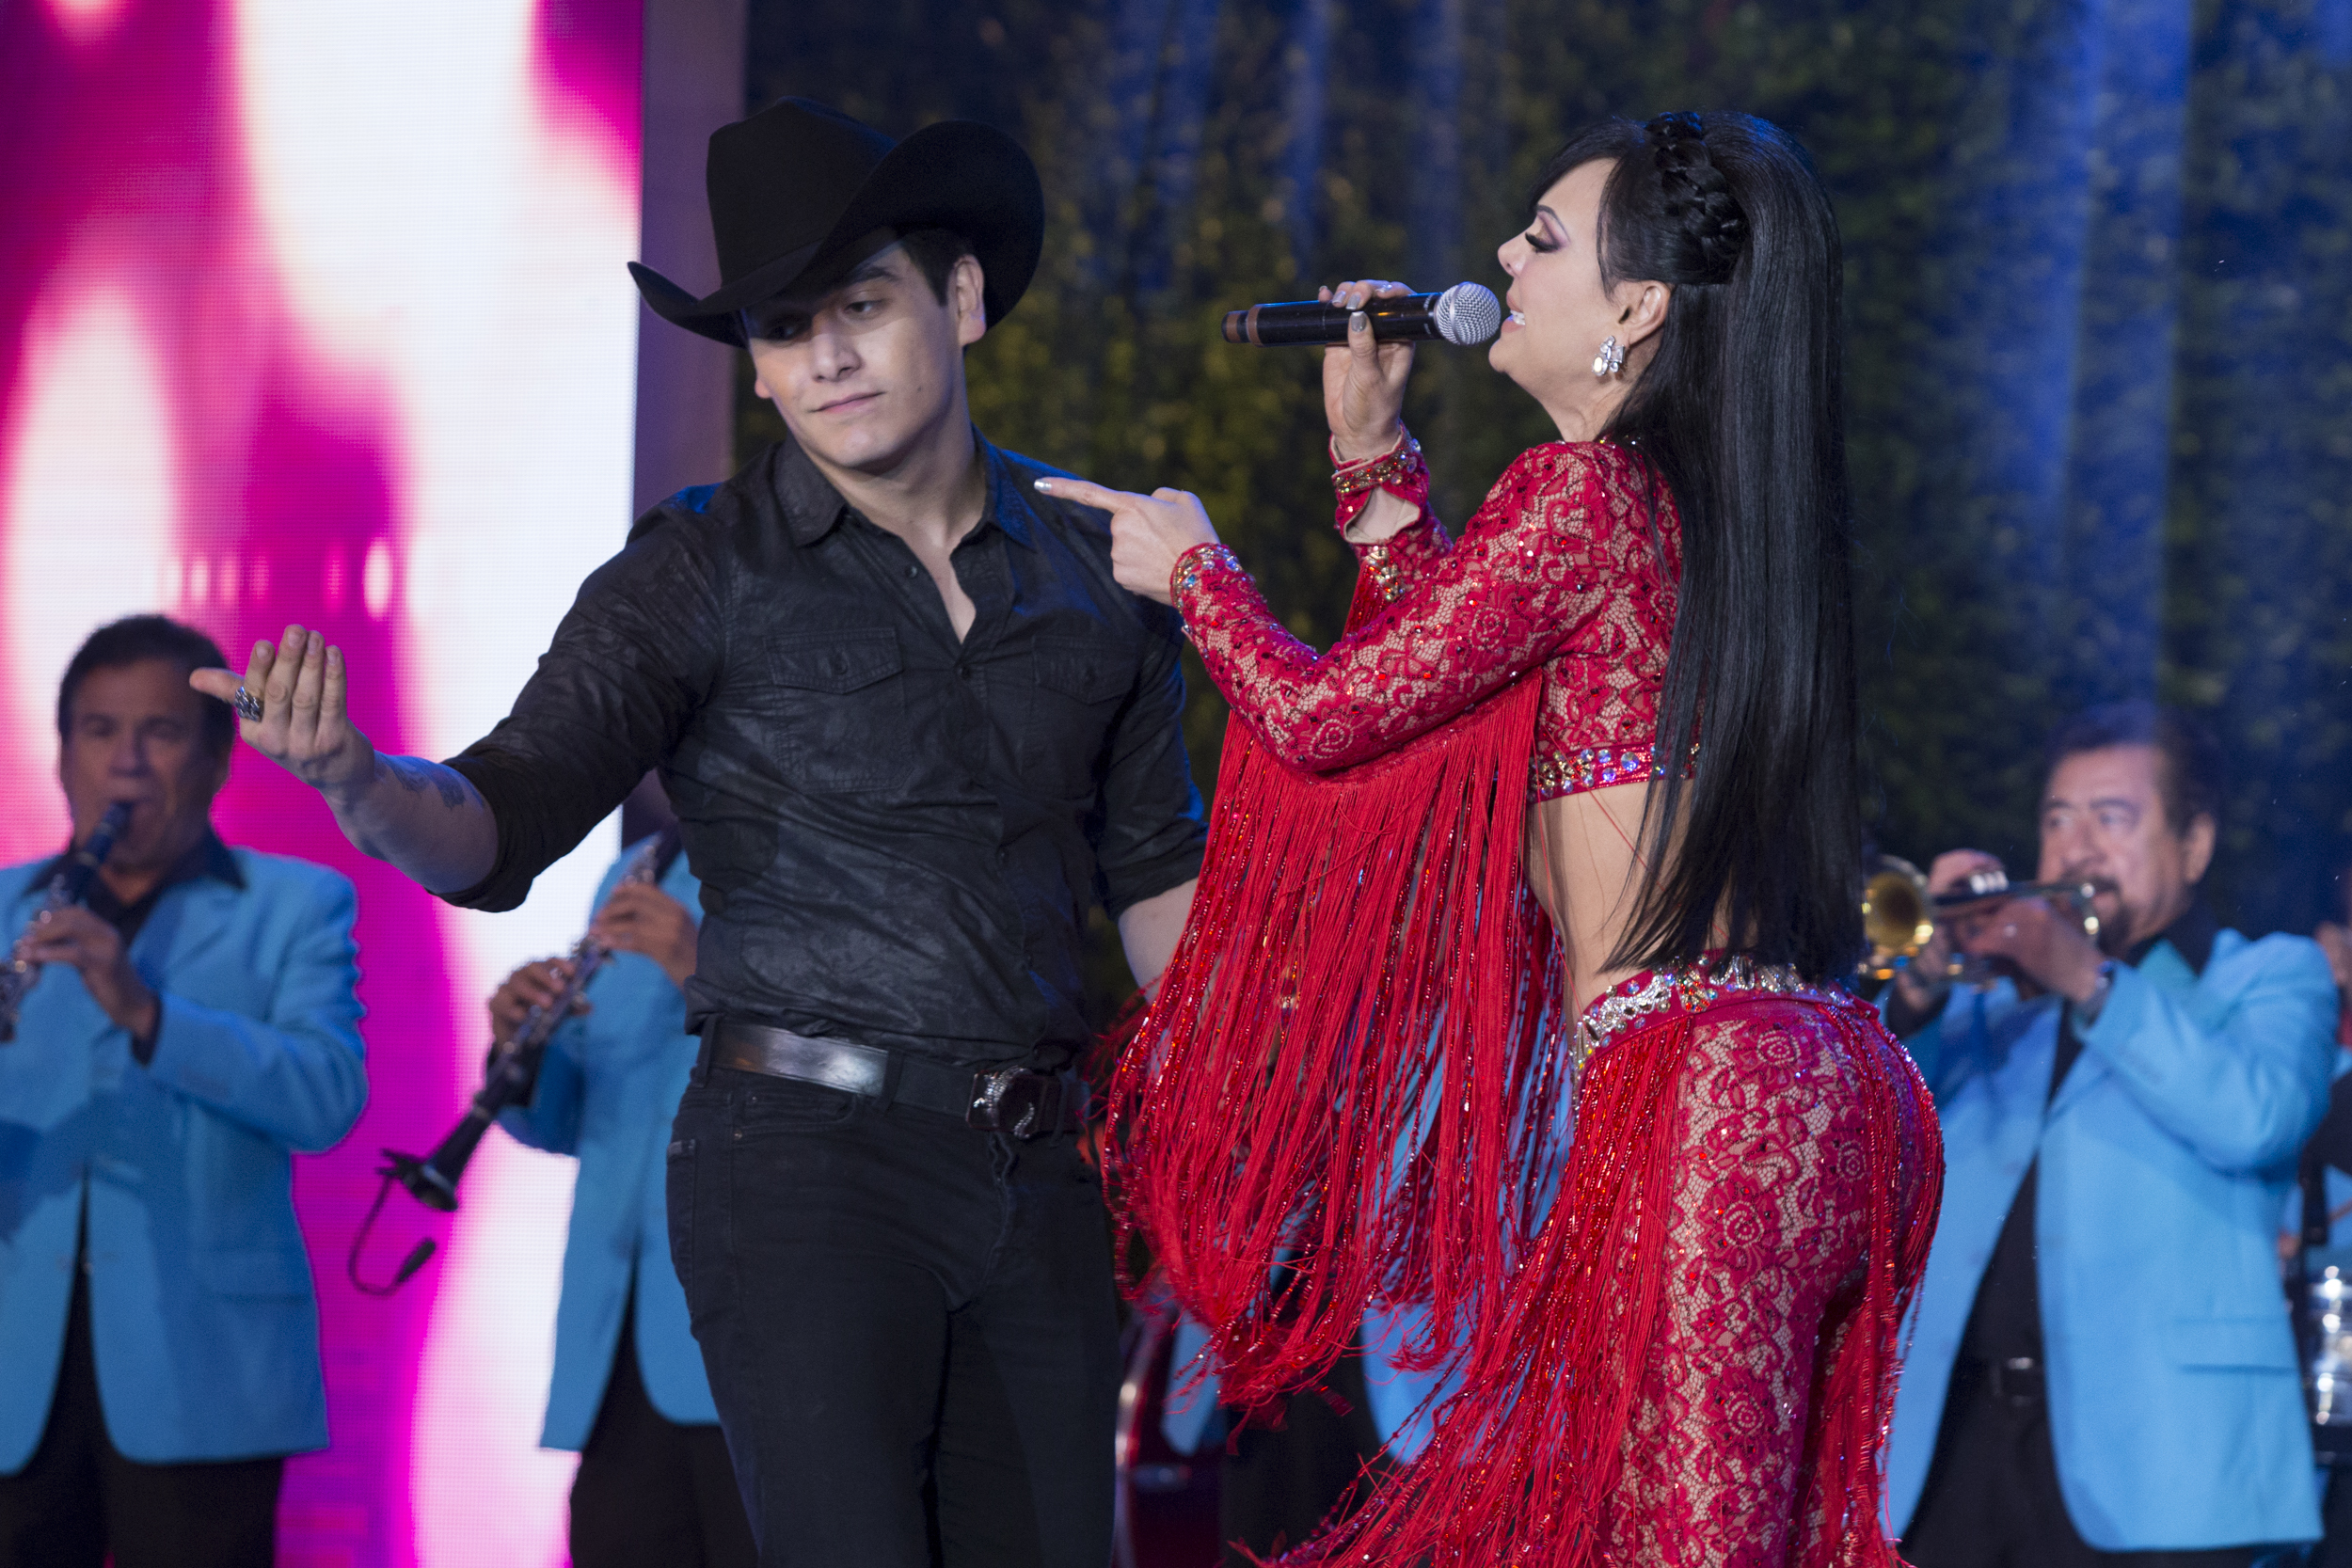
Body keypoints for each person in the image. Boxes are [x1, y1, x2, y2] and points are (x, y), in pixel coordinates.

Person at [190, 96, 1206, 1567]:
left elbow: (1156, 876)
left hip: (1040, 1169)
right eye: (787, 330)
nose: (828, 357)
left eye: (861, 306)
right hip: (802, 1161)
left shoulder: (1098, 565)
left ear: (963, 297)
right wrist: (356, 776)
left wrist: (1267, 1105)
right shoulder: (697, 567)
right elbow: (499, 816)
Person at [1042, 111, 1941, 1565]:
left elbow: (1335, 718)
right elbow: (1448, 699)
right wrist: (1370, 451)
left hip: (1702, 1092)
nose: (1499, 261)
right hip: (1831, 1085)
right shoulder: (1706, 513)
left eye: (1540, 237)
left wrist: (1194, 574)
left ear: (1638, 307)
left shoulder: (1584, 494)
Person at [1879, 702, 2334, 1564]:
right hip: (1955, 1459)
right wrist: (1916, 998)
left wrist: (2089, 979)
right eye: (2057, 819)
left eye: (2110, 817)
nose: (2076, 848)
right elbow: (1862, 1135)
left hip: (2166, 1468)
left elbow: (2257, 1117)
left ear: (2194, 843)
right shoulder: (1987, 1002)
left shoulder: (2270, 974)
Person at [0, 615, 368, 1568]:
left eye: (159, 732)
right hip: (13, 1374)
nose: (125, 763)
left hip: (208, 1372)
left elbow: (328, 1094)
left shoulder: (299, 903)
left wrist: (148, 1012)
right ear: (61, 756)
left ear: (215, 761)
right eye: (97, 729)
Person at [487, 777, 753, 1568]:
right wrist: (522, 1047)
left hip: (758, 1346)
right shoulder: (636, 867)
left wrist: (705, 968)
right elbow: (577, 1121)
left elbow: (842, 1080)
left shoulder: (827, 868)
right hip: (620, 1348)